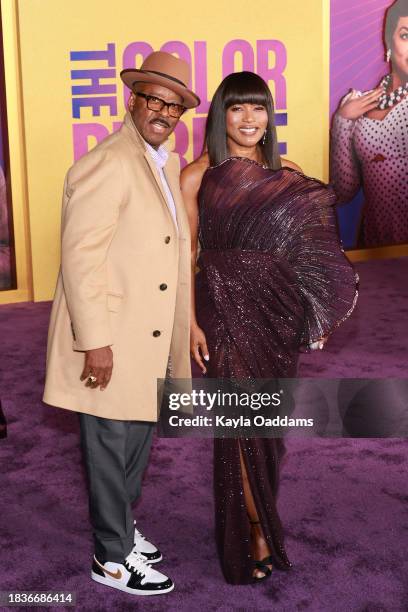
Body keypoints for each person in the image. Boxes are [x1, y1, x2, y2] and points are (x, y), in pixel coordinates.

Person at [181, 71, 358, 584]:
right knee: (239, 427)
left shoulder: (289, 172)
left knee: (269, 430)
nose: (249, 119)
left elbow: (312, 252)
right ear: (220, 116)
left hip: (277, 312)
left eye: (258, 108)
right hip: (223, 310)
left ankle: (259, 517)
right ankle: (255, 531)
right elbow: (184, 260)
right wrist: (190, 322)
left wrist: (313, 312)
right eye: (237, 109)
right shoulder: (196, 176)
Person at [43, 51, 200, 596]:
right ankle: (110, 558)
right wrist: (95, 342)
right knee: (109, 446)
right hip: (112, 336)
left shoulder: (162, 159)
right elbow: (80, 258)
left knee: (135, 438)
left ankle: (123, 529)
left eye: (173, 104)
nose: (162, 110)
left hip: (146, 333)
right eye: (152, 99)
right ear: (132, 100)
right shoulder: (108, 162)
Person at [330, 0, 408, 248]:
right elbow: (343, 192)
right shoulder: (356, 104)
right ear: (388, 42)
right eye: (406, 36)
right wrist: (343, 121)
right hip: (374, 239)